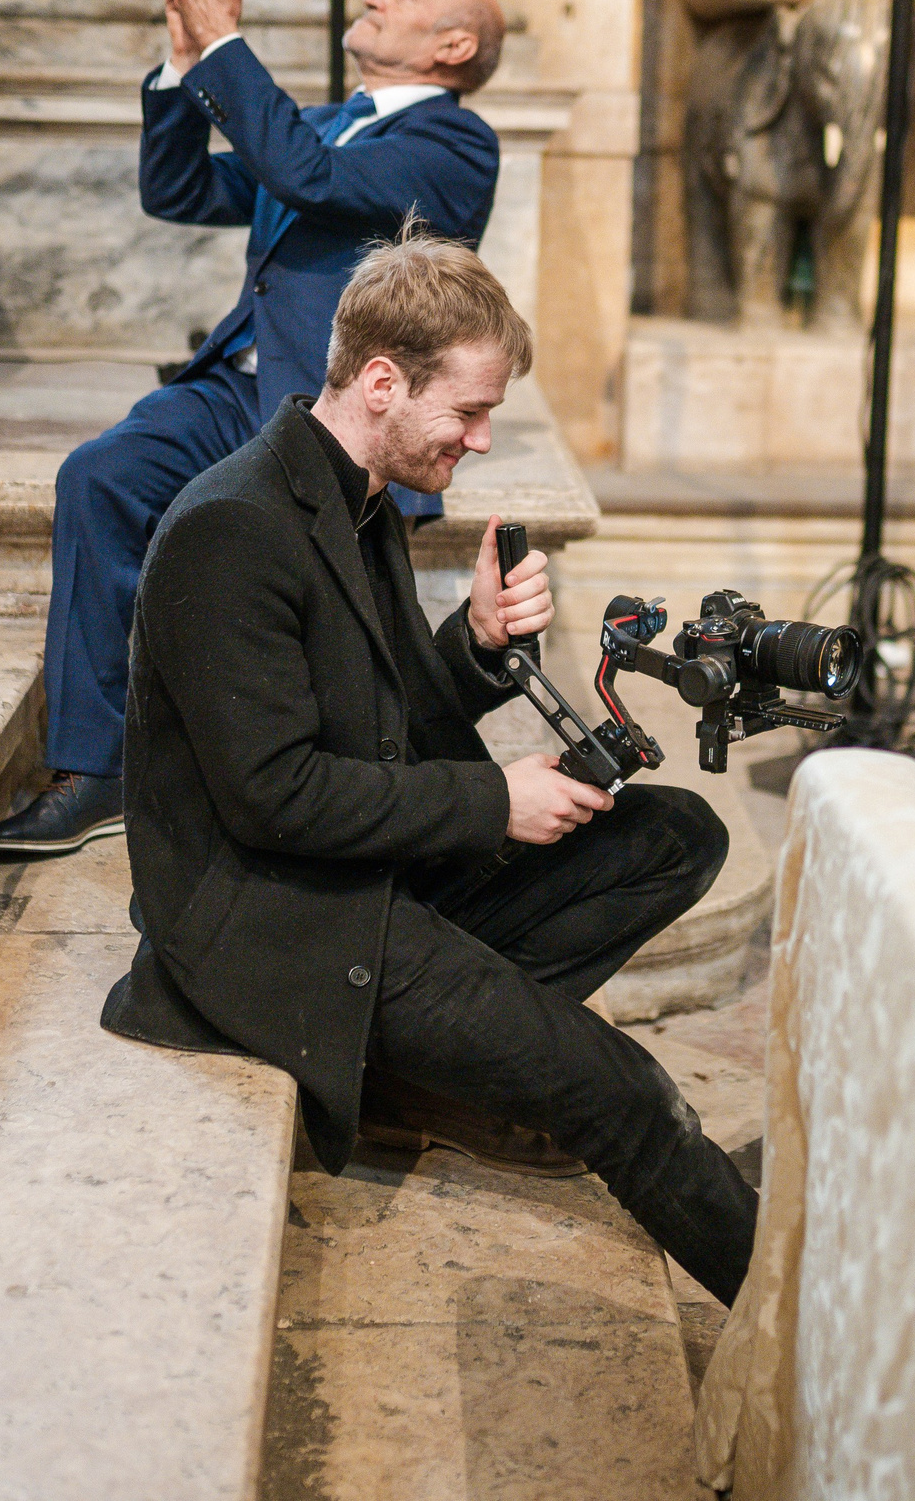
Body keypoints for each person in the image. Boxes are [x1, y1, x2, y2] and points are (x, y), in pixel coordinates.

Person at [98, 231, 757, 1302]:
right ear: (379, 382)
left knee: (678, 833)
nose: (482, 438)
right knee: (619, 1088)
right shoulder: (233, 527)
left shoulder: (356, 499)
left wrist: (479, 647)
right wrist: (497, 797)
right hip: (278, 920)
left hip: (356, 875)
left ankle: (420, 1068)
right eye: (468, 411)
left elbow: (390, 729)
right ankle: (806, 1333)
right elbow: (276, 798)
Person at [0, 0, 506, 859]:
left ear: (452, 46)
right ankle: (95, 766)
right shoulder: (325, 123)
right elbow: (177, 188)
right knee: (100, 477)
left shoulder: (455, 143)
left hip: (344, 418)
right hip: (236, 384)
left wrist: (227, 40)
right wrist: (186, 59)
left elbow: (302, 175)